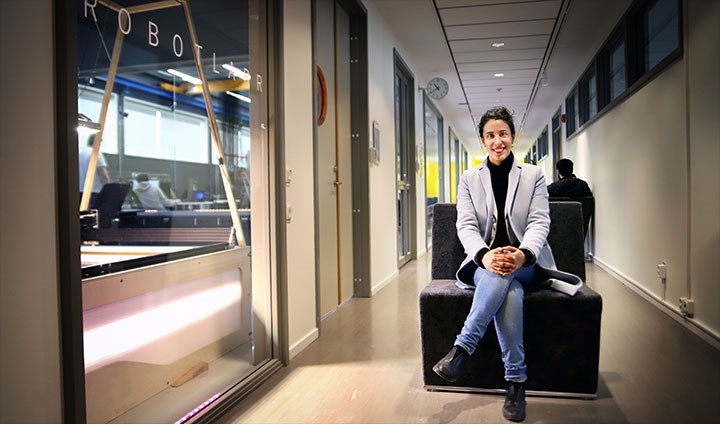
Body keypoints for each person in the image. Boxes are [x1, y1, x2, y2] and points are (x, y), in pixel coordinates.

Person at [432, 106, 581, 422]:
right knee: (507, 289)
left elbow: (540, 221)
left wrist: (522, 254)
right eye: (490, 135)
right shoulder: (470, 178)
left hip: (526, 261)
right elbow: (466, 225)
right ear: (483, 140)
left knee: (510, 278)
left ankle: (461, 350)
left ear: (512, 137)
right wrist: (485, 254)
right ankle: (516, 382)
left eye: (503, 134)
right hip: (484, 261)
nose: (497, 140)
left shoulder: (533, 175)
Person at [78, 133, 110, 209]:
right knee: (95, 218)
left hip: (80, 191)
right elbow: (103, 175)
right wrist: (109, 190)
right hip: (94, 192)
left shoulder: (79, 153)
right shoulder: (96, 153)